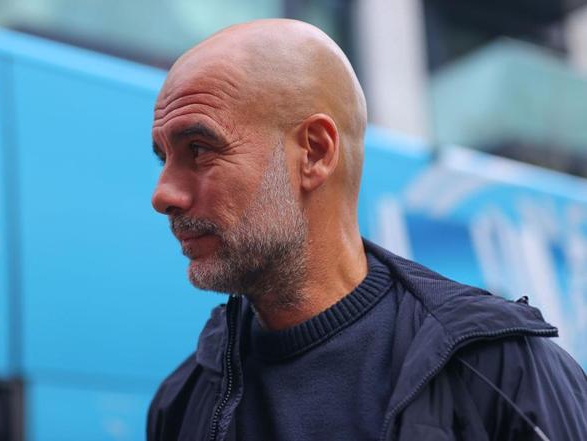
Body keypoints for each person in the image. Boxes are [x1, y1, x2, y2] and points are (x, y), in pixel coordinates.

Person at [147, 18, 586, 441]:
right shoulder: (183, 400)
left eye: (199, 149)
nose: (163, 194)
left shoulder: (498, 371)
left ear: (314, 152)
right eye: (164, 158)